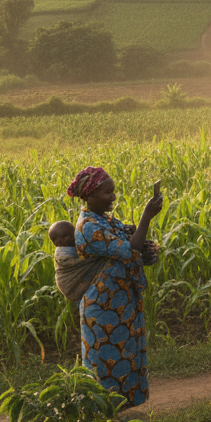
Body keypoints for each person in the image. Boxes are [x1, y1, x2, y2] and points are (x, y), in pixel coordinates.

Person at [68, 166, 162, 407]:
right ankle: (107, 419)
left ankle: (125, 419)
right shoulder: (88, 227)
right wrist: (146, 216)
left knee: (127, 356)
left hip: (120, 304)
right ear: (88, 195)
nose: (113, 197)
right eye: (107, 193)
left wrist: (145, 251)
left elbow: (131, 242)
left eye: (113, 192)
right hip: (104, 308)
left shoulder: (104, 220)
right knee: (106, 365)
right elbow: (128, 249)